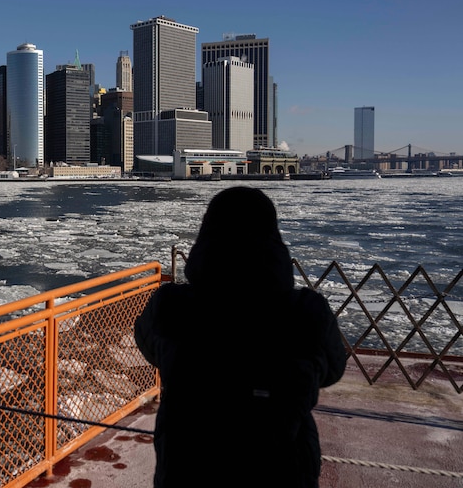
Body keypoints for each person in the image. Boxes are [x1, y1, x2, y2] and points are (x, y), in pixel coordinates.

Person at [134, 187, 347, 488]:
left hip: (190, 466)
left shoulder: (173, 306)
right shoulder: (306, 312)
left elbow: (146, 343)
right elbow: (334, 369)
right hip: (283, 468)